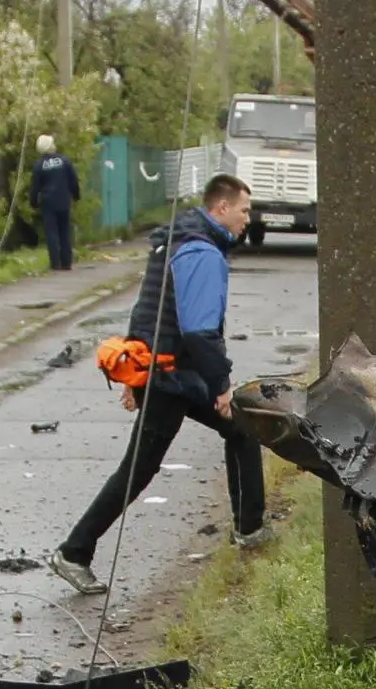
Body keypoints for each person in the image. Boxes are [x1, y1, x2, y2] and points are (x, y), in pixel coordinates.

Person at [50, 174, 265, 595]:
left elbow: (146, 312)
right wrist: (221, 384)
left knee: (242, 427)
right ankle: (74, 552)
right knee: (138, 470)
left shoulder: (173, 240)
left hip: (169, 374)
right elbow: (199, 332)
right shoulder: (201, 252)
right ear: (221, 209)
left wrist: (135, 374)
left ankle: (250, 528)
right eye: (244, 210)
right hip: (171, 379)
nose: (247, 219)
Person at [31, 133, 83, 272]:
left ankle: (55, 263)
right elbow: (73, 180)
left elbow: (35, 187)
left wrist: (34, 203)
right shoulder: (65, 161)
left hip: (48, 203)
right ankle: (67, 262)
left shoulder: (39, 166)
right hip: (63, 200)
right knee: (65, 231)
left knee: (52, 232)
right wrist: (76, 196)